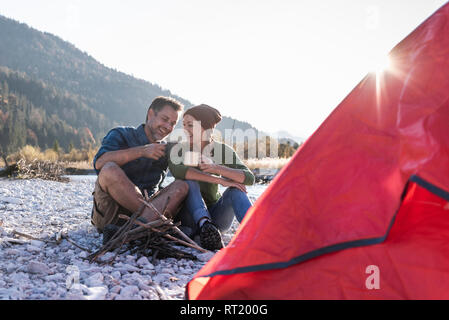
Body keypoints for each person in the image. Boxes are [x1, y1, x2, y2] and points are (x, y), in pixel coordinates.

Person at [91, 96, 189, 244]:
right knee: (109, 169)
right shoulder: (121, 134)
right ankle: (150, 225)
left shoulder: (168, 149)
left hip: (147, 213)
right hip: (111, 216)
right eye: (164, 119)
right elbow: (100, 162)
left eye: (173, 124)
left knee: (181, 185)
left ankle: (132, 231)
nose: (168, 127)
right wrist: (142, 151)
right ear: (150, 114)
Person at [168, 104, 255, 250]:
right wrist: (221, 181)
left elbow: (249, 178)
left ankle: (256, 232)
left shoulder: (222, 150)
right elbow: (179, 172)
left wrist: (216, 168)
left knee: (236, 190)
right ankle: (204, 226)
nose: (185, 130)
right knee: (189, 181)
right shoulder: (177, 148)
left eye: (190, 125)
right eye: (184, 125)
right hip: (186, 216)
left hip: (217, 217)